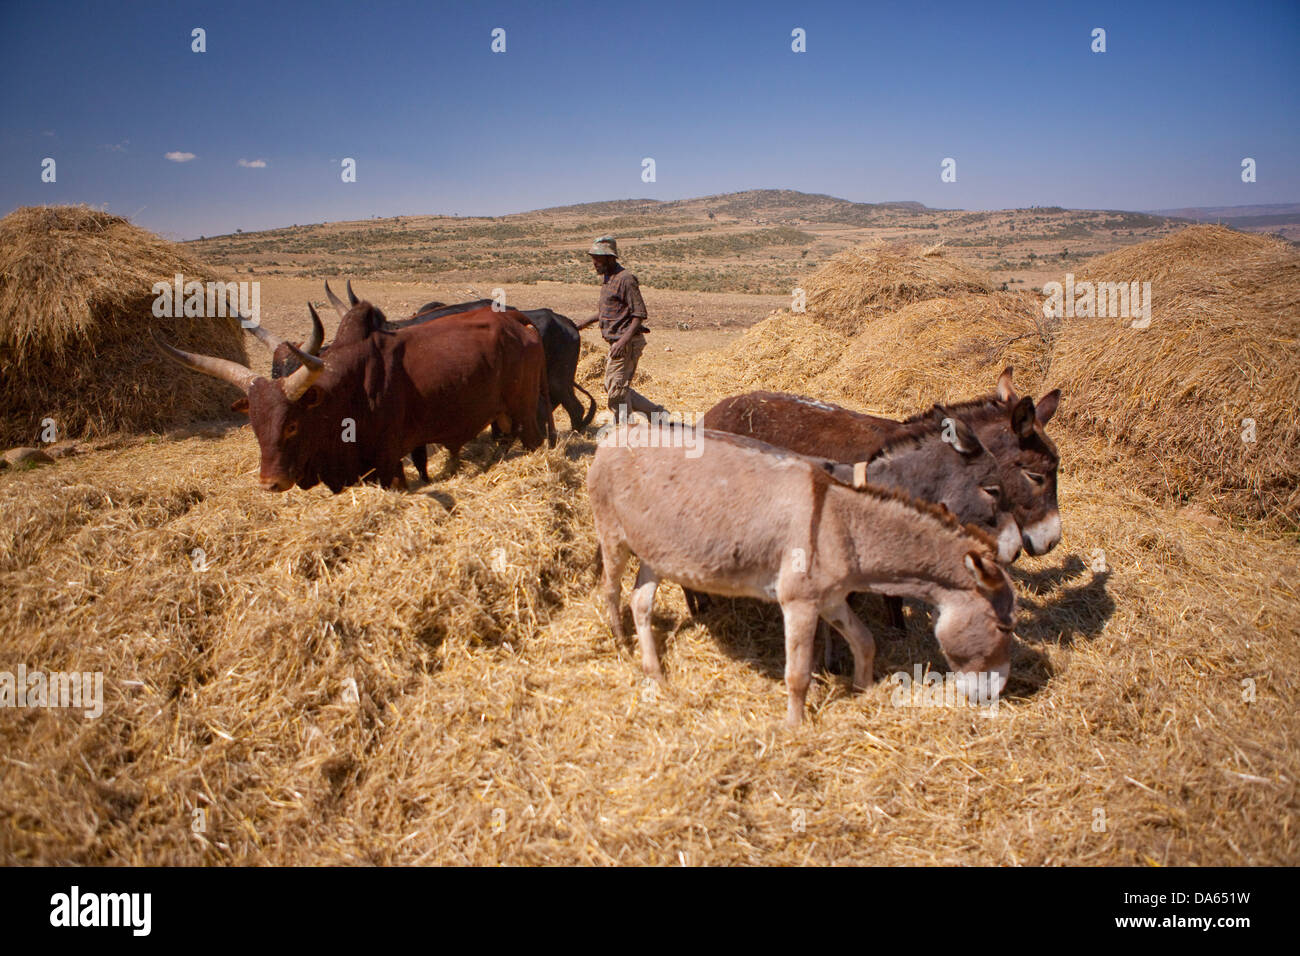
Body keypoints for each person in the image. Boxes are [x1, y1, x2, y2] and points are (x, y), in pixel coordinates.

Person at [574, 236, 668, 422]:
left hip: (627, 343)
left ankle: (626, 431)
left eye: (598, 258)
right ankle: (657, 414)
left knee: (616, 392)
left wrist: (622, 341)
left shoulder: (625, 279)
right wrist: (581, 324)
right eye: (593, 257)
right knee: (614, 387)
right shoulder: (609, 279)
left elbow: (639, 314)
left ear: (610, 258)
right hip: (618, 342)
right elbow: (607, 312)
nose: (594, 262)